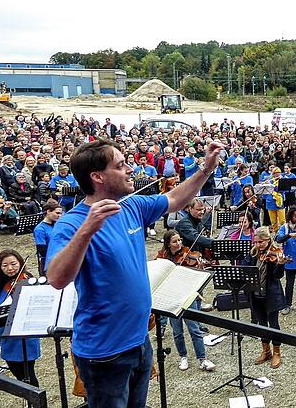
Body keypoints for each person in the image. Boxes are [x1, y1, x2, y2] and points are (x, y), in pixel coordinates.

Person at [46, 138, 225, 408]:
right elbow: (57, 279)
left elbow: (175, 199)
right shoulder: (71, 224)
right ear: (97, 177)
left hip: (139, 341)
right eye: (121, 165)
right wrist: (87, 230)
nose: (130, 169)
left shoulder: (131, 206)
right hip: (104, 353)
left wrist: (206, 169)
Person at [0, 250, 40, 386]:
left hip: (26, 335)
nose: (10, 268)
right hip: (6, 335)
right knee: (17, 374)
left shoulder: (28, 280)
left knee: (29, 374)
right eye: (4, 265)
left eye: (13, 264)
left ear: (20, 263)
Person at [155, 231, 215, 372]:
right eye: (175, 241)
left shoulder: (189, 254)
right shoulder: (161, 257)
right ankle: (183, 356)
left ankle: (202, 358)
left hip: (188, 296)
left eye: (180, 240)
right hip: (171, 298)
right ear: (168, 244)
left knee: (194, 329)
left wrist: (200, 265)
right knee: (177, 331)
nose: (179, 243)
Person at [248, 227, 286, 369]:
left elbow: (277, 276)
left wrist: (280, 265)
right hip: (256, 294)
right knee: (262, 324)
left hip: (271, 294)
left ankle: (277, 352)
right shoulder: (253, 254)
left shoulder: (275, 253)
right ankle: (266, 350)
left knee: (273, 324)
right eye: (256, 242)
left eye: (261, 242)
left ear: (268, 240)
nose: (258, 245)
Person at [34, 200, 62, 276]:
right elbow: (42, 251)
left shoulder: (57, 225)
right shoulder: (40, 229)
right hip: (48, 262)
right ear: (48, 211)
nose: (60, 216)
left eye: (60, 213)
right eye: (57, 213)